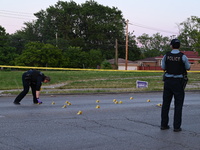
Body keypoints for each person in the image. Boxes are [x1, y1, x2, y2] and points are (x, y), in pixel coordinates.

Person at [161, 39, 190, 132]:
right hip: (179, 82)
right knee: (178, 105)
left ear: (171, 46)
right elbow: (188, 67)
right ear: (179, 46)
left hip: (168, 81)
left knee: (165, 104)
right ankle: (177, 127)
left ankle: (164, 125)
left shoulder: (166, 56)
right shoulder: (183, 56)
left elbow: (163, 67)